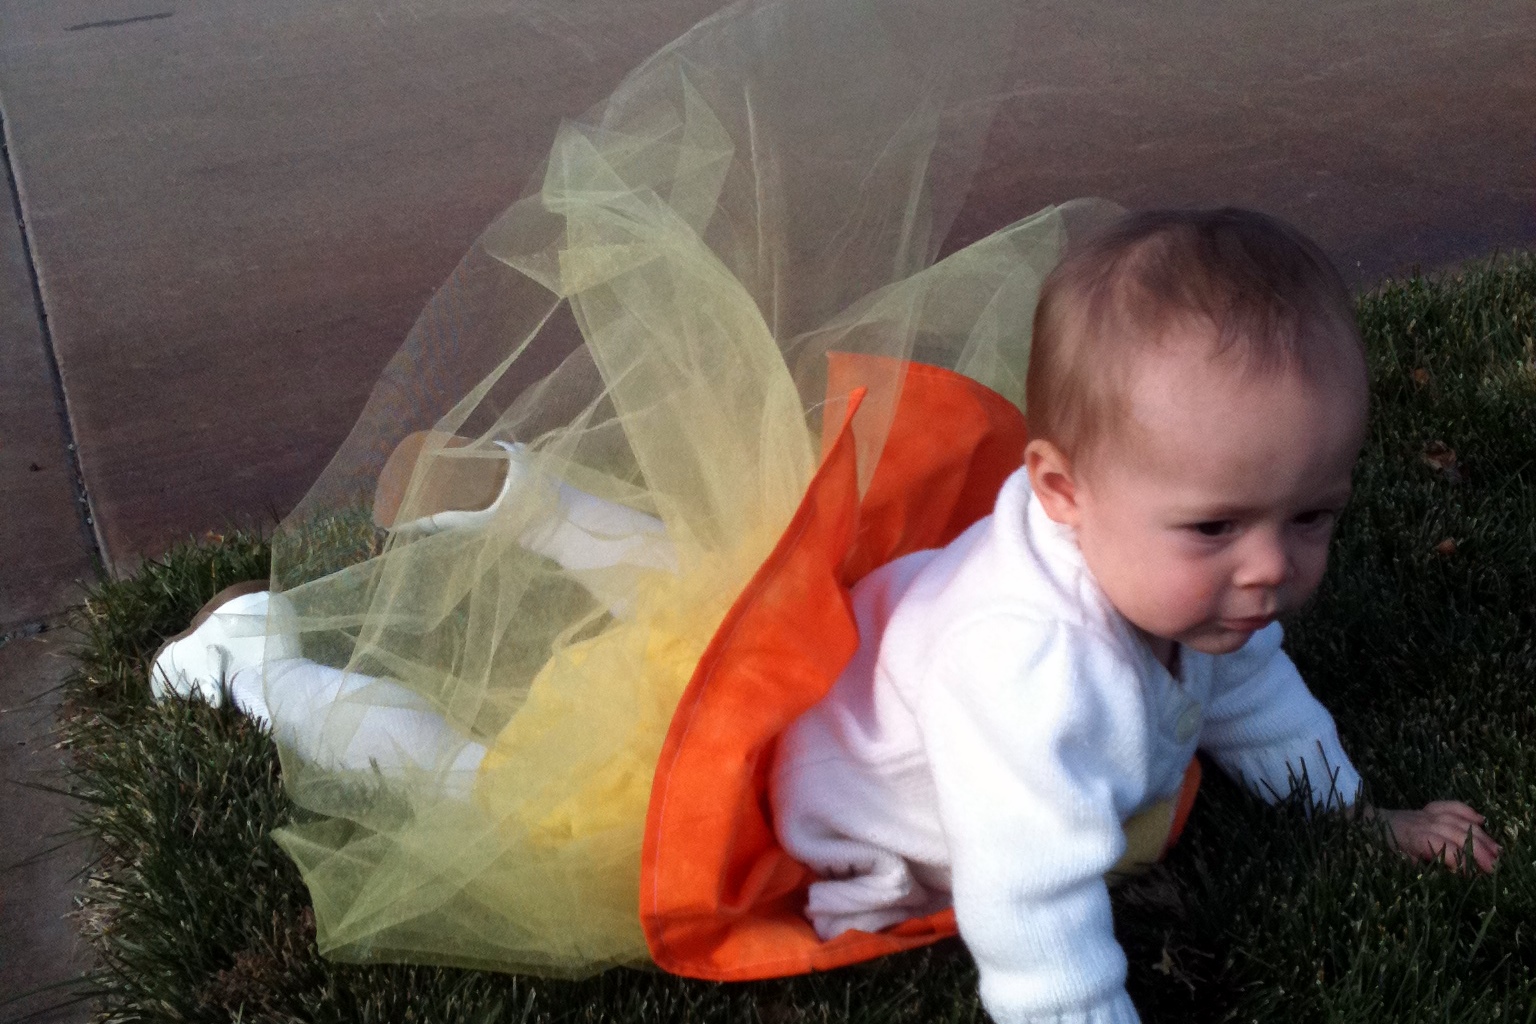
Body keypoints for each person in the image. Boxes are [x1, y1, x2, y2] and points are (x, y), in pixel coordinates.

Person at [769, 208, 1501, 1024]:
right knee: (1039, 846)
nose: (1269, 568)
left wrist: (1353, 818)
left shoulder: (1191, 587)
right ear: (1063, 492)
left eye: (1312, 516)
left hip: (1023, 762)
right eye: (1215, 526)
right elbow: (1029, 896)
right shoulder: (1027, 666)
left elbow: (1253, 696)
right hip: (888, 818)